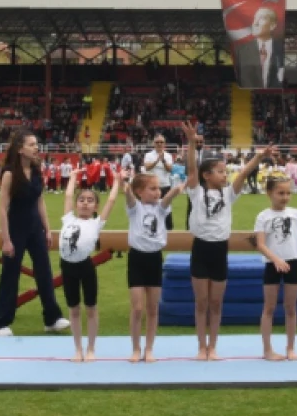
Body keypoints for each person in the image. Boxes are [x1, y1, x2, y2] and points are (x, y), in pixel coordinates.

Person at [182, 131, 267, 361]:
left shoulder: (228, 195)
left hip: (220, 250)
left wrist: (259, 157)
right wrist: (191, 143)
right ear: (206, 175)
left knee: (216, 302)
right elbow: (191, 169)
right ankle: (201, 347)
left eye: (224, 171)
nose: (224, 174)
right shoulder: (196, 192)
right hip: (200, 248)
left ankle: (213, 346)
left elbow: (243, 173)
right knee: (201, 302)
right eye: (220, 171)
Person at [0, 133, 71, 338]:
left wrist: (47, 228)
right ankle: (0, 323)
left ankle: (52, 319)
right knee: (10, 275)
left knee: (44, 273)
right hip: (16, 228)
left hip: (35, 228)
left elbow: (40, 200)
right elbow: (2, 208)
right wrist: (6, 239)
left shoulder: (36, 170)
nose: (36, 147)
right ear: (20, 149)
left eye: (37, 144)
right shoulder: (9, 174)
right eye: (32, 144)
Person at [56, 166, 121, 362]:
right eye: (82, 200)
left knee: (91, 308)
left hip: (85, 267)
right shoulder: (68, 219)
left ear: (95, 208)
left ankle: (91, 348)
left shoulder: (96, 223)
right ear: (76, 205)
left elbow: (111, 200)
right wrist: (73, 177)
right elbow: (68, 196)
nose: (85, 203)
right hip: (67, 267)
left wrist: (117, 181)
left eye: (90, 201)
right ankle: (78, 349)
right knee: (73, 309)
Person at [122, 168, 182, 363]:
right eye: (152, 188)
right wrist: (125, 185)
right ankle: (135, 348)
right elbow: (129, 196)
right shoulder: (135, 208)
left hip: (155, 259)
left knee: (152, 308)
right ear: (140, 191)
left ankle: (149, 349)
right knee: (137, 308)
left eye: (158, 189)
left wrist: (178, 187)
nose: (158, 192)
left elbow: (168, 198)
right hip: (137, 259)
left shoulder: (161, 209)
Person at [254, 171, 297, 361]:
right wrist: (276, 260)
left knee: (291, 307)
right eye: (281, 193)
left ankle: (290, 347)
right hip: (273, 265)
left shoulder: (296, 214)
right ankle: (267, 349)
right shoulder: (263, 216)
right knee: (269, 307)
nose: (285, 197)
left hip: (293, 263)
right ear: (269, 193)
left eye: (288, 193)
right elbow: (260, 244)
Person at [233, 5, 285, 89]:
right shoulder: (241, 51)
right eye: (254, 18)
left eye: (262, 18)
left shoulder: (282, 50)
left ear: (272, 25)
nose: (255, 23)